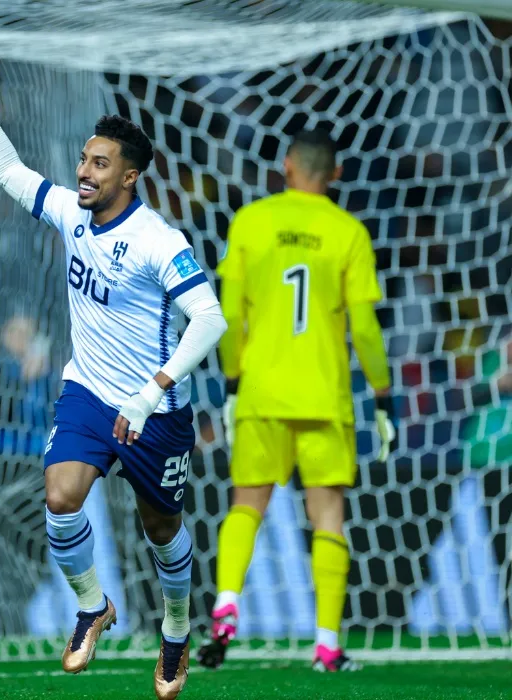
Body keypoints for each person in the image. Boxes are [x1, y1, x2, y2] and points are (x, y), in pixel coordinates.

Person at [0, 22, 226, 699]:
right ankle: (92, 607)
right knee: (60, 497)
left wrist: (152, 388)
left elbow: (211, 319)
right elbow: (10, 172)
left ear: (128, 177)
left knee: (163, 531)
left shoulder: (160, 241)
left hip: (154, 408)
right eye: (83, 159)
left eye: (99, 164)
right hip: (89, 393)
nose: (83, 170)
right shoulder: (72, 216)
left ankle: (174, 630)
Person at [198, 129, 396, 672]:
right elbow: (366, 328)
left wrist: (234, 379)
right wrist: (382, 393)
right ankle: (328, 646)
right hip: (324, 395)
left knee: (246, 504)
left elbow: (229, 313)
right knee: (329, 514)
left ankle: (226, 612)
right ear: (334, 175)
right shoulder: (348, 230)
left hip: (260, 390)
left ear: (286, 165)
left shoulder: (251, 222)